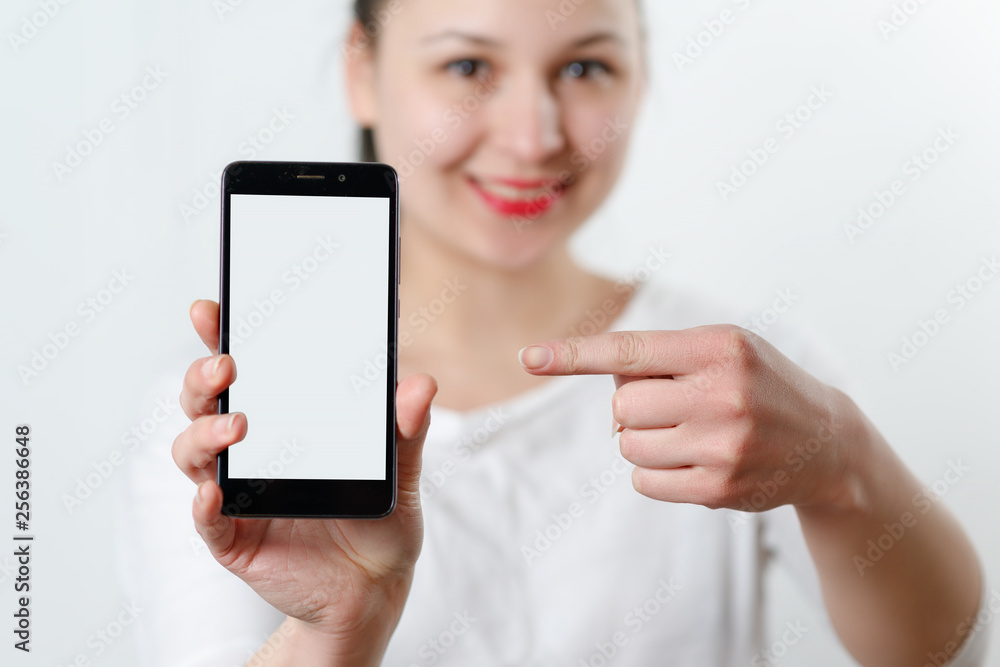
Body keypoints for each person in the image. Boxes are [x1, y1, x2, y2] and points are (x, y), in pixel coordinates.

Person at [131, 0, 991, 665]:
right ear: (363, 69)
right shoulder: (219, 418)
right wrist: (334, 632)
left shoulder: (742, 371)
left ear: (642, 73)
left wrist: (842, 466)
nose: (534, 136)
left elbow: (946, 651)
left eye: (585, 66)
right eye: (468, 64)